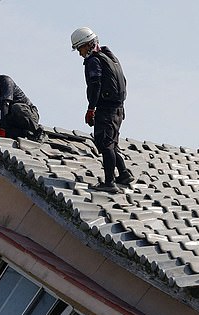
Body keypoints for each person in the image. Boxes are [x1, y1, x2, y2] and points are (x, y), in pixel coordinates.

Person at [70, 27, 134, 192]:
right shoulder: (110, 56)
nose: (80, 53)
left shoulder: (94, 61)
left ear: (87, 45)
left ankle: (109, 183)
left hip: (107, 109)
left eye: (80, 48)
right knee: (111, 143)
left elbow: (95, 84)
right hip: (119, 110)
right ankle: (124, 174)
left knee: (105, 144)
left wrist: (91, 108)